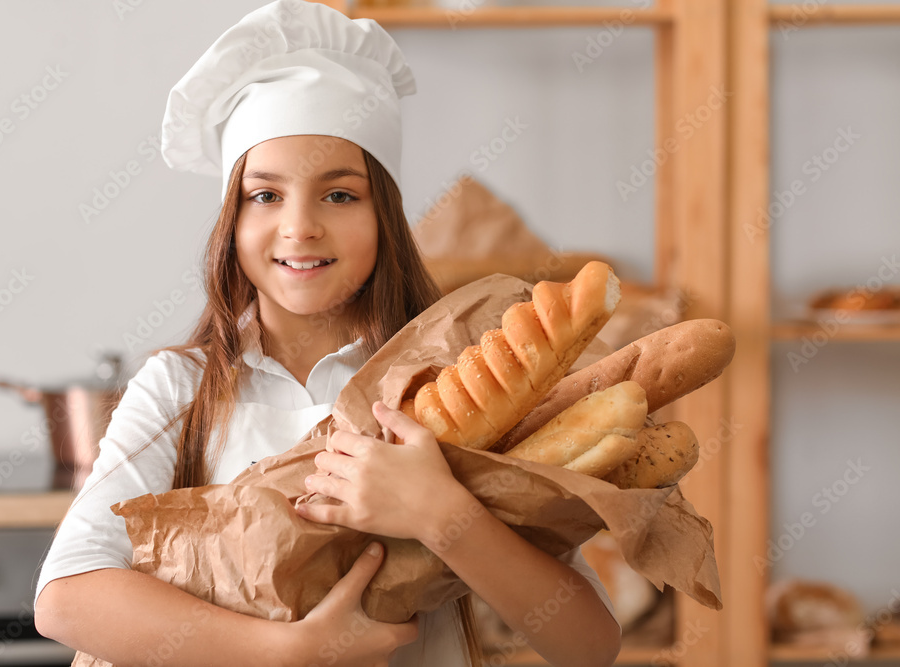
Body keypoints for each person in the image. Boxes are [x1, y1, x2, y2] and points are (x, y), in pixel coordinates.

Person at [33, 1, 621, 665]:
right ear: (232, 221)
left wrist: (440, 514)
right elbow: (66, 596)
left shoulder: (454, 381)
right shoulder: (183, 388)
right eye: (265, 195)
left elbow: (589, 643)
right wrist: (289, 650)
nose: (300, 226)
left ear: (384, 216)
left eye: (339, 194)